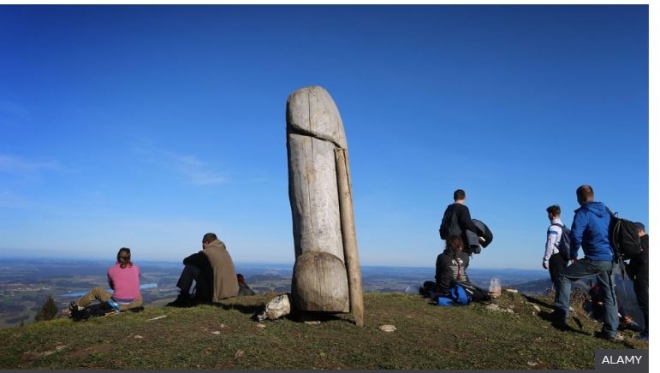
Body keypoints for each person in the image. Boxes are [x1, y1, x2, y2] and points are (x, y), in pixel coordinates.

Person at [553, 185, 619, 341]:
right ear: (592, 196)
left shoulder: (583, 213)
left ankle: (560, 316)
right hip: (609, 259)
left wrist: (573, 253)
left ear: (579, 198)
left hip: (594, 258)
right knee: (609, 294)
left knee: (564, 277)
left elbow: (576, 236)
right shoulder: (606, 212)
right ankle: (610, 332)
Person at [169, 233, 238, 305]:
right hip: (231, 292)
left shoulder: (206, 253)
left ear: (206, 242)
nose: (202, 247)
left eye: (203, 244)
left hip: (217, 294)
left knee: (189, 268)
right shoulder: (224, 251)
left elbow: (186, 261)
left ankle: (183, 296)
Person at [69, 247, 142, 313]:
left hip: (117, 305)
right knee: (138, 293)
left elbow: (112, 287)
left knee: (96, 290)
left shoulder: (111, 270)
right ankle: (128, 308)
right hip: (135, 304)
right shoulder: (136, 268)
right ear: (129, 257)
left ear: (117, 257)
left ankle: (75, 307)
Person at [440, 189, 481, 270]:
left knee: (450, 260)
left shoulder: (449, 208)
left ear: (454, 197)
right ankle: (458, 278)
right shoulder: (463, 208)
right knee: (461, 261)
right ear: (465, 198)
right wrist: (477, 234)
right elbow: (468, 224)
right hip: (459, 240)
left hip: (449, 240)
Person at [627, 222, 649, 341]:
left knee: (645, 305)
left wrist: (631, 268)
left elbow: (644, 259)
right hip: (646, 276)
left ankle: (648, 333)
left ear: (639, 230)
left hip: (642, 277)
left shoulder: (643, 242)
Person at [543, 205, 568, 292]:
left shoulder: (553, 228)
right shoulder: (563, 227)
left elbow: (550, 244)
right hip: (563, 256)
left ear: (551, 214)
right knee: (562, 278)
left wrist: (546, 259)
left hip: (555, 256)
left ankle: (560, 301)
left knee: (556, 279)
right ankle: (562, 299)